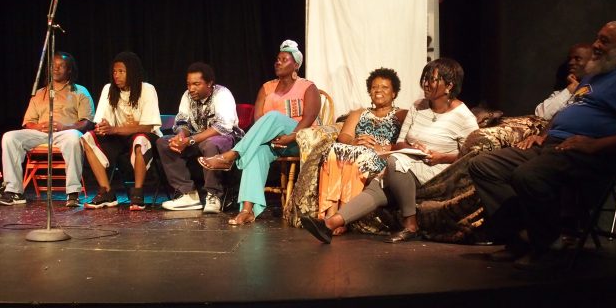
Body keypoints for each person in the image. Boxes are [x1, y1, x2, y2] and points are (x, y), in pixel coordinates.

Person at [468, 21, 616, 269]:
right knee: (483, 165)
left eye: (604, 41)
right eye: (597, 38)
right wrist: (543, 134)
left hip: (590, 152)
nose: (595, 44)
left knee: (528, 176)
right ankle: (524, 236)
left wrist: (595, 145)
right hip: (553, 145)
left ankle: (547, 247)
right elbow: (567, 111)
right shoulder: (592, 77)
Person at [301, 58, 478, 244]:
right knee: (379, 185)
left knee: (394, 163)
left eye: (432, 79)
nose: (425, 83)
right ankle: (329, 224)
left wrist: (441, 157)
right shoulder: (418, 106)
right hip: (411, 162)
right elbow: (400, 142)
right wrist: (412, 148)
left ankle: (410, 224)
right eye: (424, 78)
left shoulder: (463, 116)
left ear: (449, 85)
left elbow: (473, 154)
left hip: (439, 168)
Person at [198, 40, 320, 225]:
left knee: (274, 117)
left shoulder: (308, 86)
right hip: (273, 141)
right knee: (254, 153)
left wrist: (291, 136)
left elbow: (309, 117)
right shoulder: (266, 88)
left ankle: (232, 155)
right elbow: (258, 120)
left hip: (299, 139)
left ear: (296, 65)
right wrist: (272, 138)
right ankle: (247, 211)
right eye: (277, 59)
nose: (278, 62)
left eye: (284, 59)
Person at [317, 68, 407, 234]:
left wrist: (383, 147)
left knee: (356, 156)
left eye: (384, 87)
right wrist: (354, 141)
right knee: (334, 150)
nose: (378, 90)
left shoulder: (402, 114)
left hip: (382, 157)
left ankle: (343, 216)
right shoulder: (358, 113)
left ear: (394, 93)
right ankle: (330, 213)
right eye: (374, 87)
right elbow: (344, 136)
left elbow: (406, 143)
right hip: (356, 152)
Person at [0, 52, 95, 208]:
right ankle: (14, 191)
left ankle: (73, 193)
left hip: (65, 133)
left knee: (74, 137)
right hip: (40, 134)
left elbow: (87, 122)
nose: (55, 69)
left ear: (69, 70)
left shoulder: (80, 91)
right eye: (53, 66)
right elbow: (28, 122)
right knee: (9, 137)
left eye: (61, 66)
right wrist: (38, 126)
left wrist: (66, 127)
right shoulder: (40, 93)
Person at [156, 62, 243, 214]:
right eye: (189, 84)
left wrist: (190, 140)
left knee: (209, 144)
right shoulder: (187, 96)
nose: (191, 88)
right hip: (197, 139)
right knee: (164, 142)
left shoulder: (222, 94)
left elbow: (223, 127)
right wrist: (181, 136)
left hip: (226, 139)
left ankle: (213, 194)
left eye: (196, 84)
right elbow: (182, 122)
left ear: (209, 83)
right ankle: (188, 194)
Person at [82, 51, 162, 210]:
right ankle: (106, 191)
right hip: (118, 138)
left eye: (121, 71)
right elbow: (102, 120)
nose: (116, 75)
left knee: (140, 139)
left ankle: (138, 192)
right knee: (87, 138)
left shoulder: (146, 89)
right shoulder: (109, 89)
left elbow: (147, 127)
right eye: (114, 71)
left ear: (132, 72)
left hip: (145, 137)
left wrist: (115, 129)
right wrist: (102, 127)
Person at [534, 43, 592, 120]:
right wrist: (569, 90)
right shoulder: (562, 93)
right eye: (569, 59)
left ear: (592, 62)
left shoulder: (597, 92)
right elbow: (540, 116)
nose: (571, 63)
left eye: (577, 59)